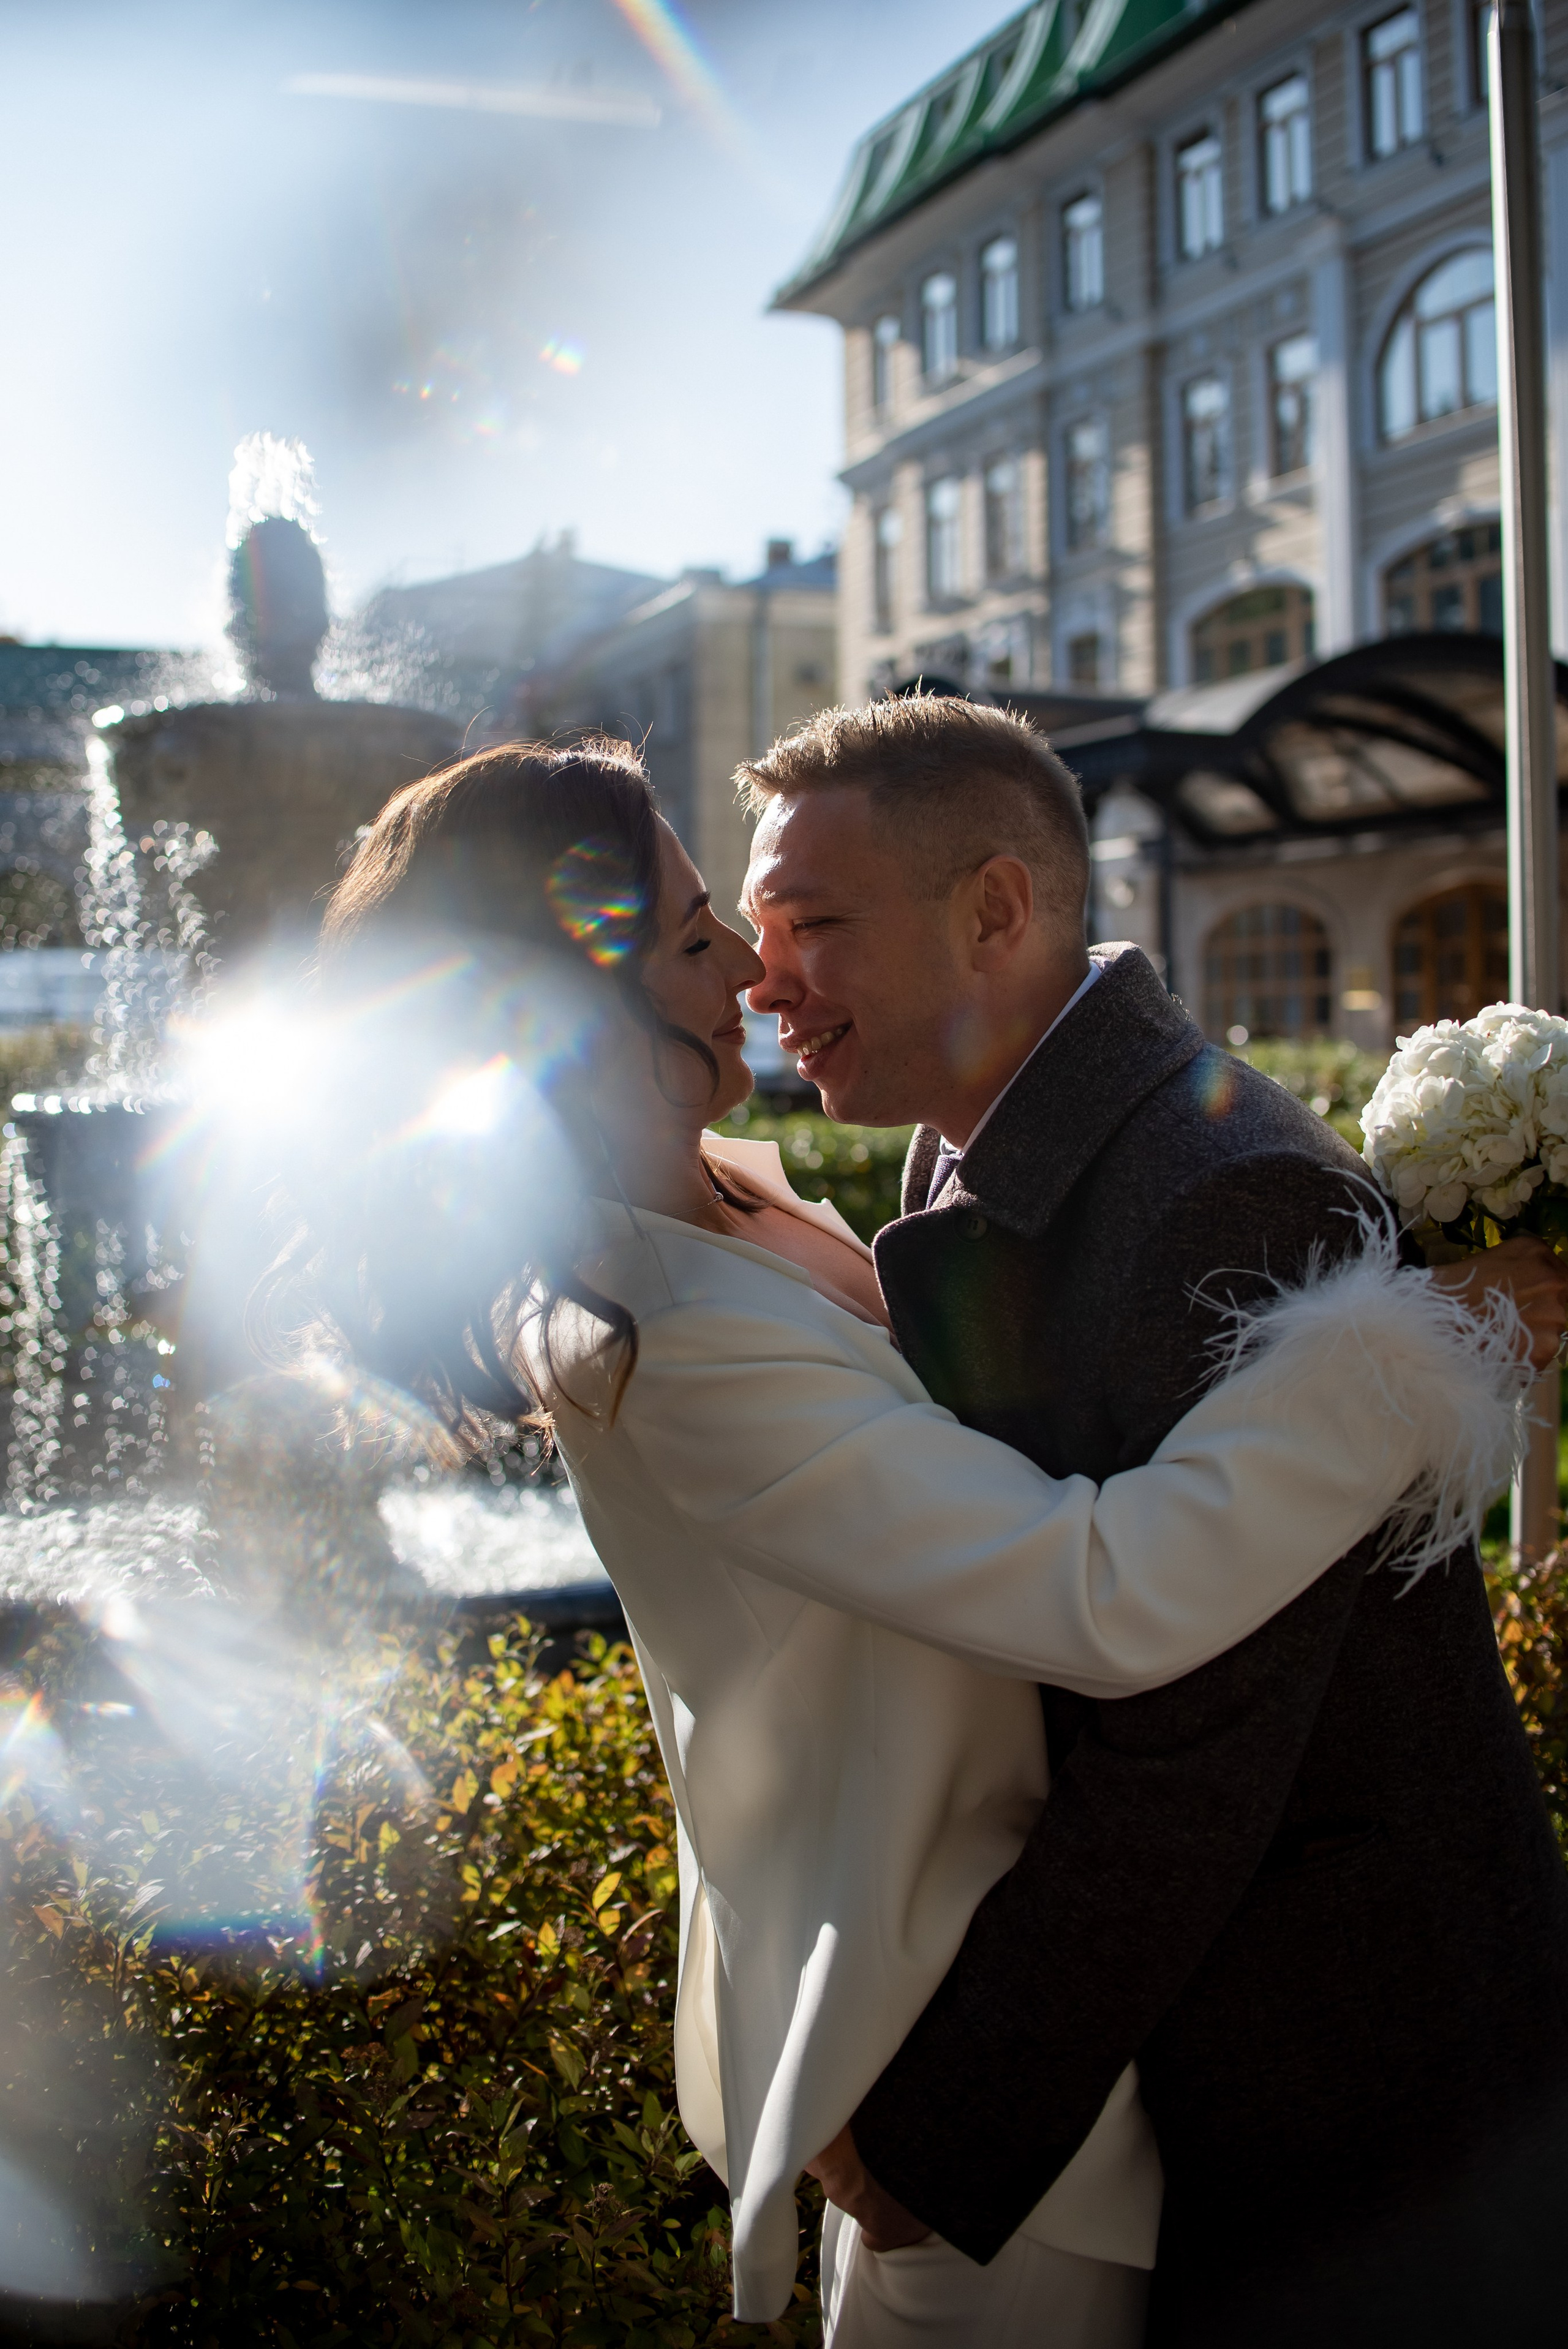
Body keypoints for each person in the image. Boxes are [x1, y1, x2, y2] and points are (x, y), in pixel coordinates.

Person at [266, 738, 1562, 2347]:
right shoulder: (654, 1333)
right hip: (940, 2042)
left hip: (1077, 2066)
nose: (752, 964)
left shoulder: (736, 1191)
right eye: (699, 934)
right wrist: (1408, 1340)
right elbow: (1096, 1593)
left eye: (784, 917)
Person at [737, 694, 1568, 2347]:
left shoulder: (1223, 1185)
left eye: (813, 926)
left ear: (997, 907)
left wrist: (938, 2132)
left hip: (1355, 2083)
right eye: (752, 938)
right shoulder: (973, 1143)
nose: (768, 985)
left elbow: (1193, 1747)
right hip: (1240, 2049)